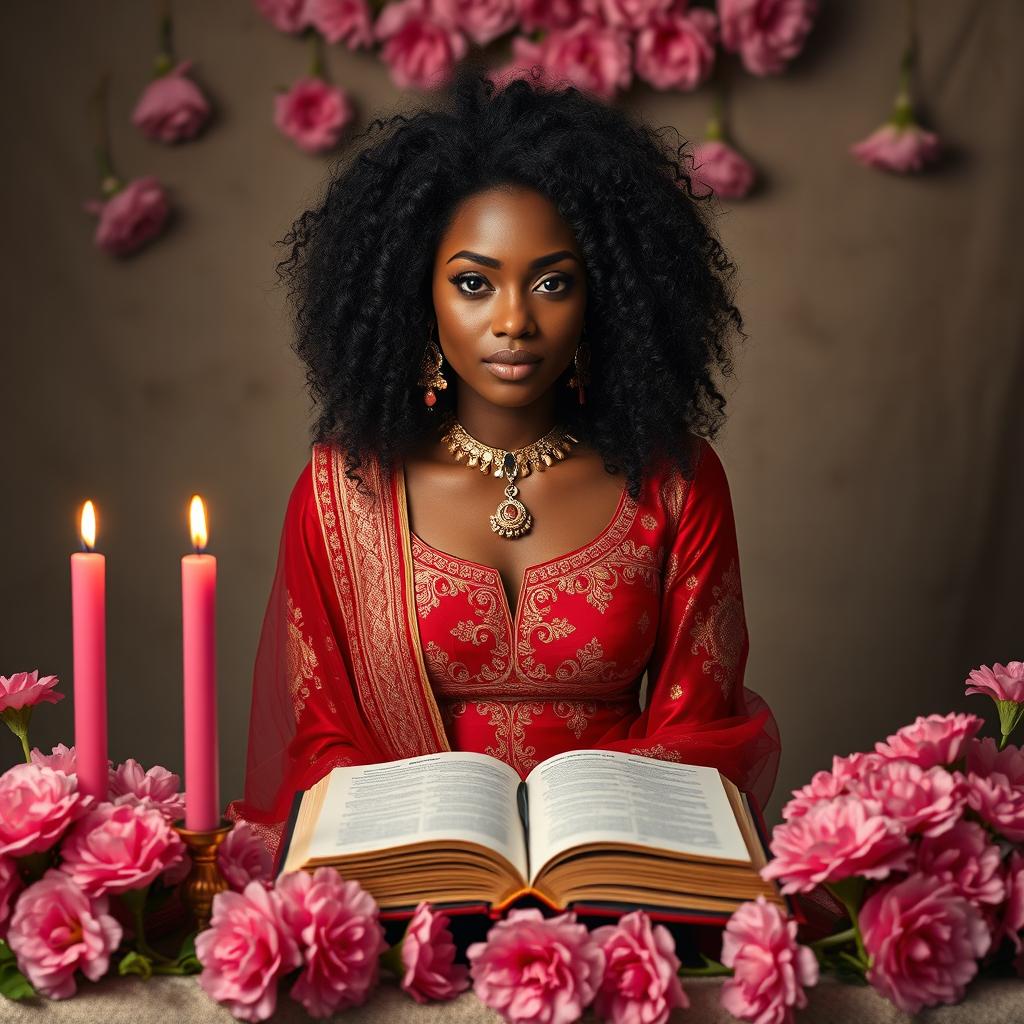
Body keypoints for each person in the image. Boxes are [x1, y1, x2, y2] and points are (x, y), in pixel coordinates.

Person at [228, 65, 780, 865]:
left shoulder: (674, 481)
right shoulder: (345, 493)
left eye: (552, 282)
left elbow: (700, 734)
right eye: (474, 284)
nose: (515, 321)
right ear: (420, 296)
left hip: (624, 880)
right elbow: (326, 748)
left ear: (605, 296)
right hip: (409, 887)